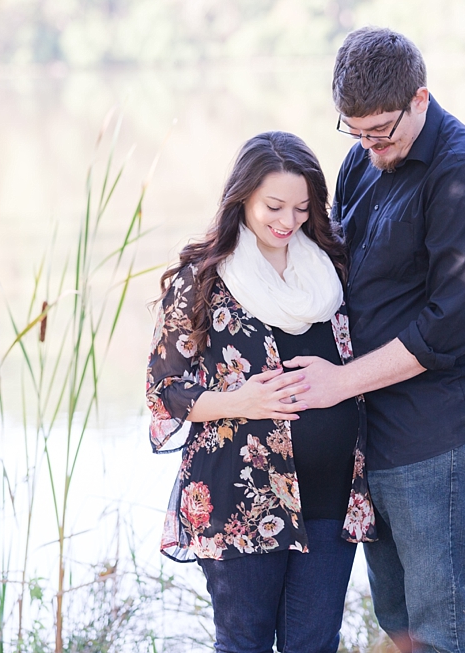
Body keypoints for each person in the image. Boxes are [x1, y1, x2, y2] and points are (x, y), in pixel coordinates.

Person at [282, 28, 465, 653]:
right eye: (355, 132)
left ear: (420, 98)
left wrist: (338, 383)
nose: (369, 147)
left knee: (446, 633)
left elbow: (450, 324)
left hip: (439, 433)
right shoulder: (362, 159)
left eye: (382, 131)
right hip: (376, 435)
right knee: (401, 628)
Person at [146, 131, 377, 653]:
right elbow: (164, 391)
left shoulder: (331, 269)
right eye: (274, 205)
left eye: (301, 208)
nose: (287, 221)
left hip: (329, 497)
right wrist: (238, 401)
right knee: (243, 644)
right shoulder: (202, 279)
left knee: (315, 645)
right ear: (243, 197)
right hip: (240, 498)